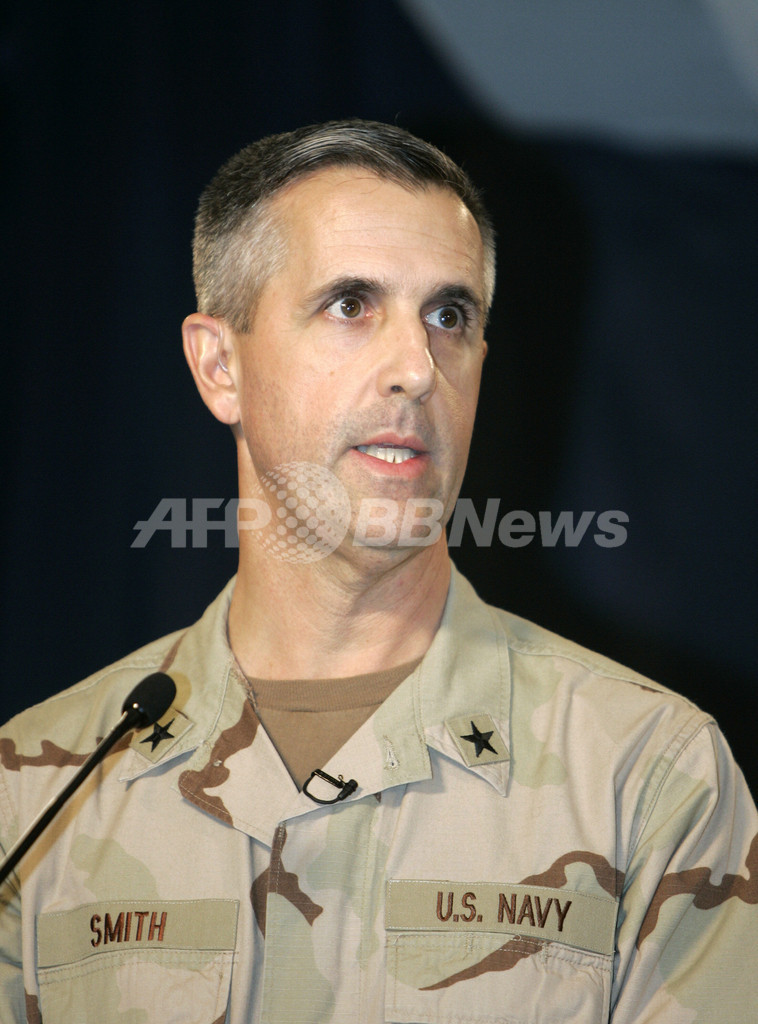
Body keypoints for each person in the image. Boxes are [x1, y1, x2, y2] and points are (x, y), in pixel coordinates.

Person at [0, 120, 755, 1023]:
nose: (416, 369)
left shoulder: (650, 775)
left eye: (449, 316)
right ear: (219, 365)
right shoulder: (38, 789)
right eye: (350, 304)